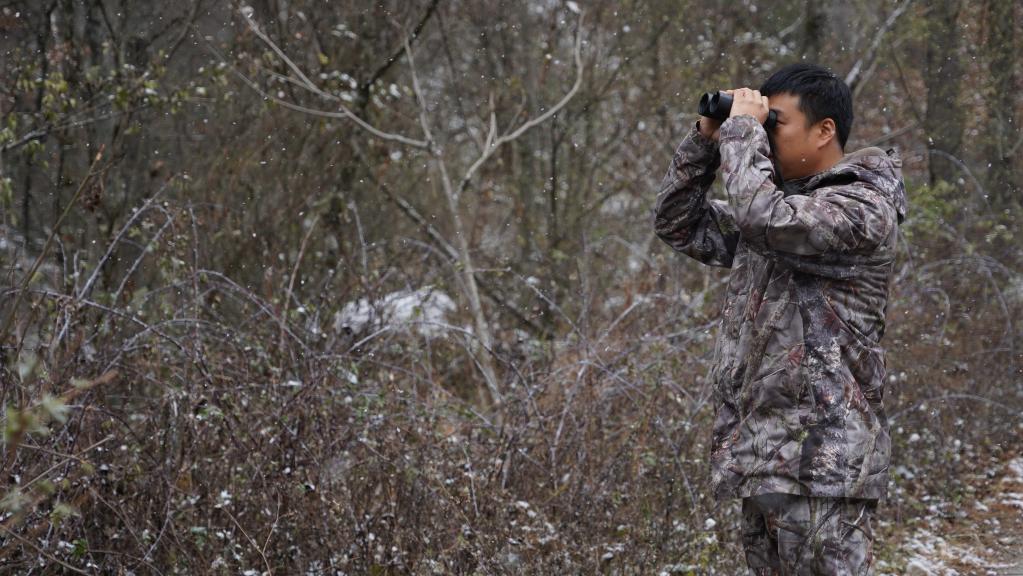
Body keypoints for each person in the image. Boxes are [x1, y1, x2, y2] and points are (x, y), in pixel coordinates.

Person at [652, 63, 908, 574]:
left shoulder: (862, 206)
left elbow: (763, 218)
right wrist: (707, 138)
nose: (764, 136)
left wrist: (744, 128)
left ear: (825, 129)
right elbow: (677, 222)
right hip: (764, 455)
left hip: (825, 464)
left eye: (776, 124)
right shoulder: (776, 211)